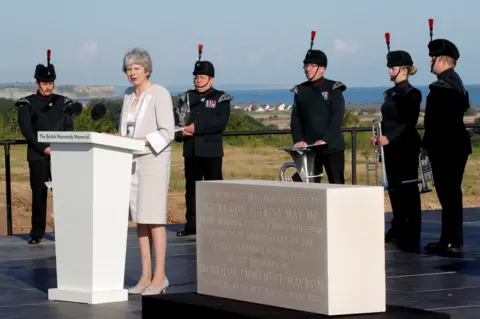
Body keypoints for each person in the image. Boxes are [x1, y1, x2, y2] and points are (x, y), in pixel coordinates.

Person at [119, 48, 175, 295]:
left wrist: (141, 140)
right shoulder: (127, 95)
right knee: (140, 220)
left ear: (147, 69)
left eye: (136, 68)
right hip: (132, 163)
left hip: (153, 160)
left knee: (154, 219)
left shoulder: (159, 93)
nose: (132, 72)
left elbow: (167, 132)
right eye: (129, 69)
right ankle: (144, 276)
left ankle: (160, 277)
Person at [16, 49, 77, 245]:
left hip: (61, 155)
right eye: (44, 83)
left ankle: (65, 231)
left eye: (50, 83)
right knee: (39, 195)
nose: (48, 87)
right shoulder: (27, 104)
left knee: (63, 195)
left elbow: (68, 127)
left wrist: (62, 147)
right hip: (38, 155)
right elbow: (27, 131)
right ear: (37, 83)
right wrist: (44, 148)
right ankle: (37, 232)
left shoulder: (63, 101)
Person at [422, 19, 472, 255]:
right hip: (456, 146)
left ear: (442, 60)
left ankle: (450, 240)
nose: (430, 62)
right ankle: (451, 239)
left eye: (433, 59)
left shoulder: (442, 86)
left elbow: (436, 122)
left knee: (448, 195)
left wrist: (426, 145)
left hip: (447, 148)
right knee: (451, 195)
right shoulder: (456, 82)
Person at [174, 44, 232, 237]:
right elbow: (176, 121)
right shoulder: (185, 98)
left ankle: (217, 225)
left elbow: (219, 122)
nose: (198, 80)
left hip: (212, 152)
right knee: (191, 189)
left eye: (202, 77)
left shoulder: (221, 98)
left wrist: (196, 128)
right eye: (196, 77)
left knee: (215, 190)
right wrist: (181, 133)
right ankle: (192, 225)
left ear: (211, 78)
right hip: (191, 151)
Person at [371, 32, 422, 250]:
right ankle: (398, 224)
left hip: (405, 145)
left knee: (408, 188)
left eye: (392, 68)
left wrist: (388, 138)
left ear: (403, 69)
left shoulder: (413, 93)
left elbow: (408, 122)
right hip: (389, 147)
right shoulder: (389, 93)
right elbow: (387, 119)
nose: (389, 71)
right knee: (393, 188)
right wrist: (379, 137)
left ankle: (412, 228)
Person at [290, 31, 347, 184]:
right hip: (309, 149)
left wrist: (324, 140)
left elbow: (337, 117)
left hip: (332, 147)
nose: (307, 69)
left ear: (322, 68)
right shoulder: (300, 90)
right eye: (306, 65)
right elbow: (295, 119)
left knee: (337, 185)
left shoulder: (334, 88)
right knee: (310, 188)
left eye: (312, 65)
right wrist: (298, 140)